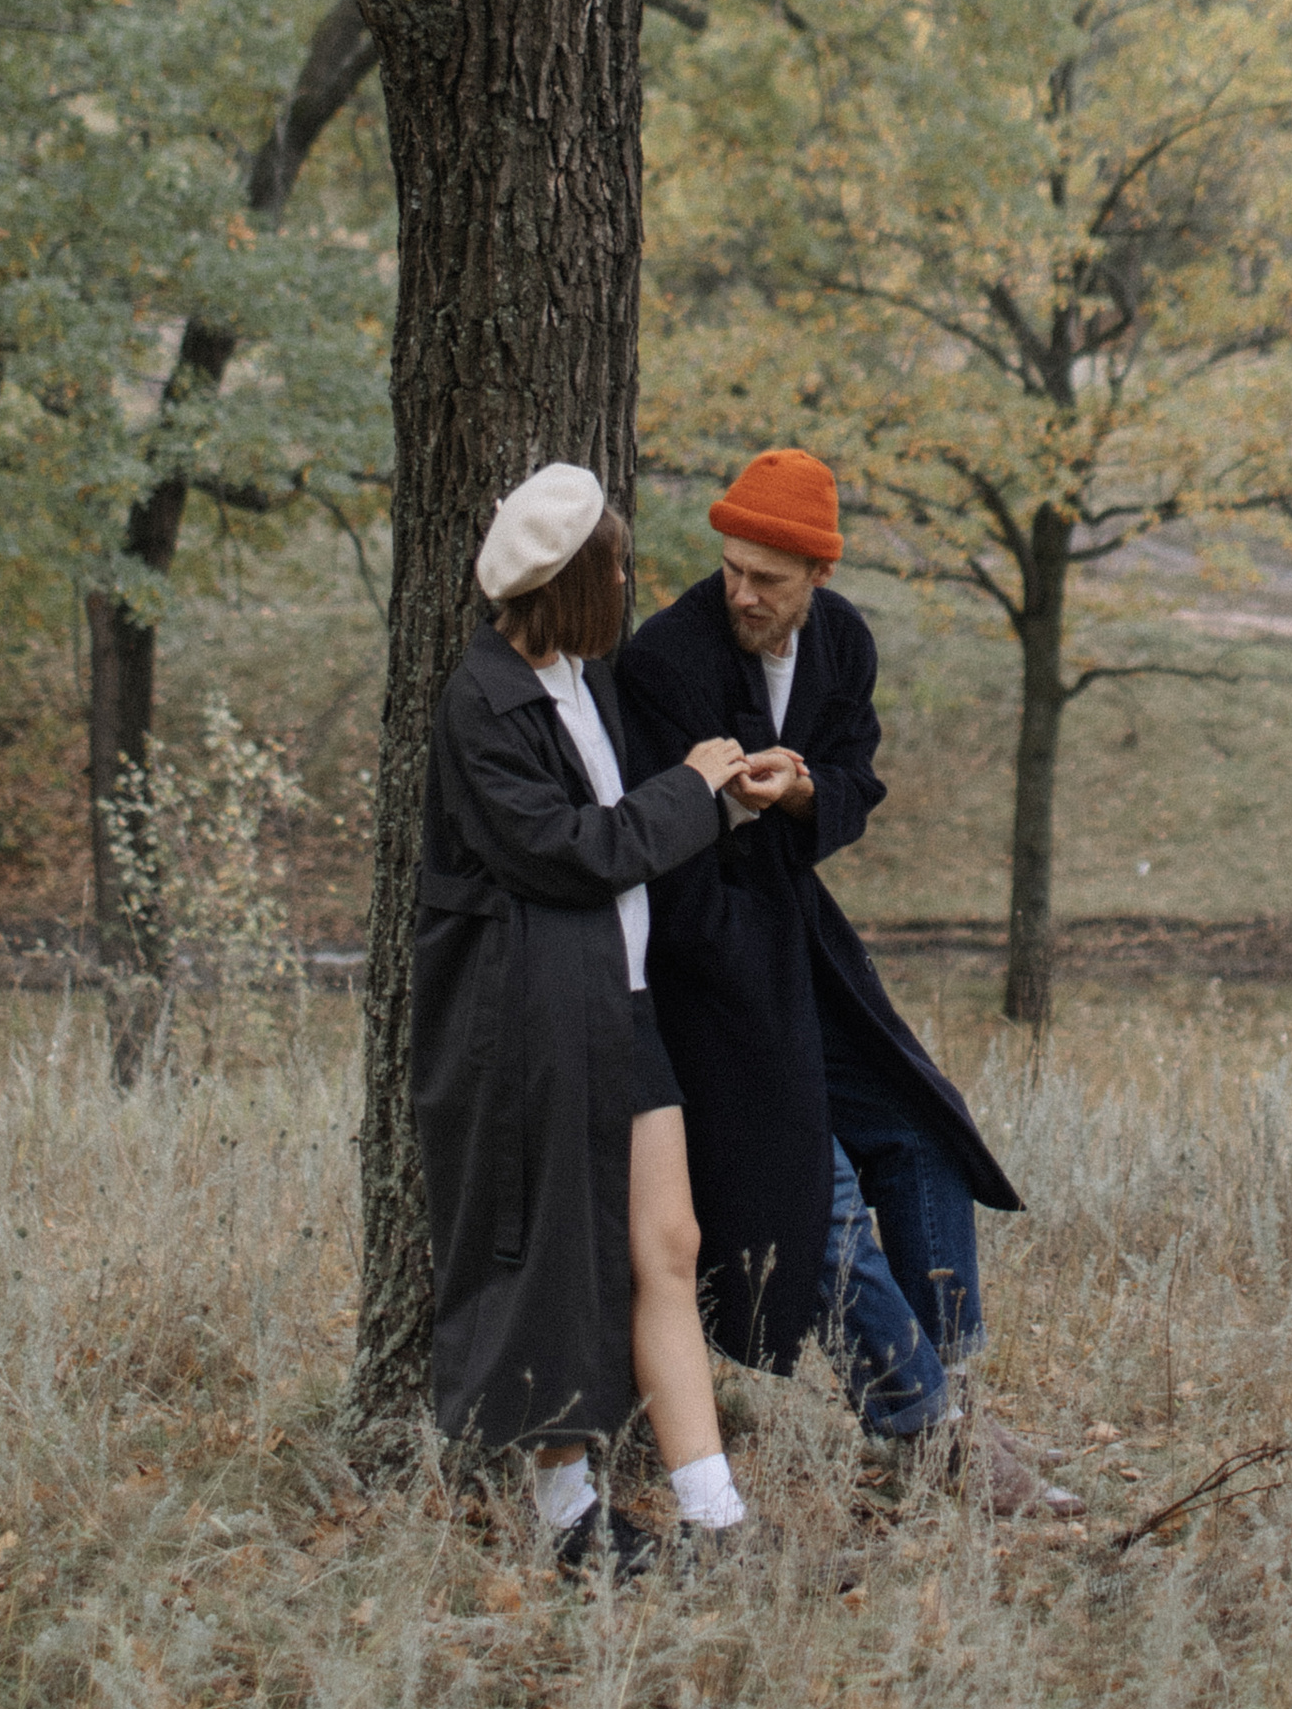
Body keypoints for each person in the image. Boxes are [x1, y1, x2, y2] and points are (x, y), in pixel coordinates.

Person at [621, 447, 1073, 1515]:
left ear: (818, 576)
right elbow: (655, 848)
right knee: (806, 1189)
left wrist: (802, 792)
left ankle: (954, 1398)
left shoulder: (843, 643)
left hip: (799, 943)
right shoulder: (666, 660)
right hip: (700, 967)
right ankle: (922, 1427)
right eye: (732, 568)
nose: (743, 593)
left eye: (768, 579)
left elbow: (856, 781)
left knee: (921, 1136)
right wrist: (728, 808)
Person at [412, 460, 756, 1578]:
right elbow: (571, 852)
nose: (624, 582)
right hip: (533, 1029)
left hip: (622, 1004)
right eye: (611, 567)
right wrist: (692, 790)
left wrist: (724, 799)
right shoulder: (482, 703)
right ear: (567, 582)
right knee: (556, 1262)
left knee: (669, 1243)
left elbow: (631, 822)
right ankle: (567, 1515)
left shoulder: (585, 682)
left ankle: (713, 1512)